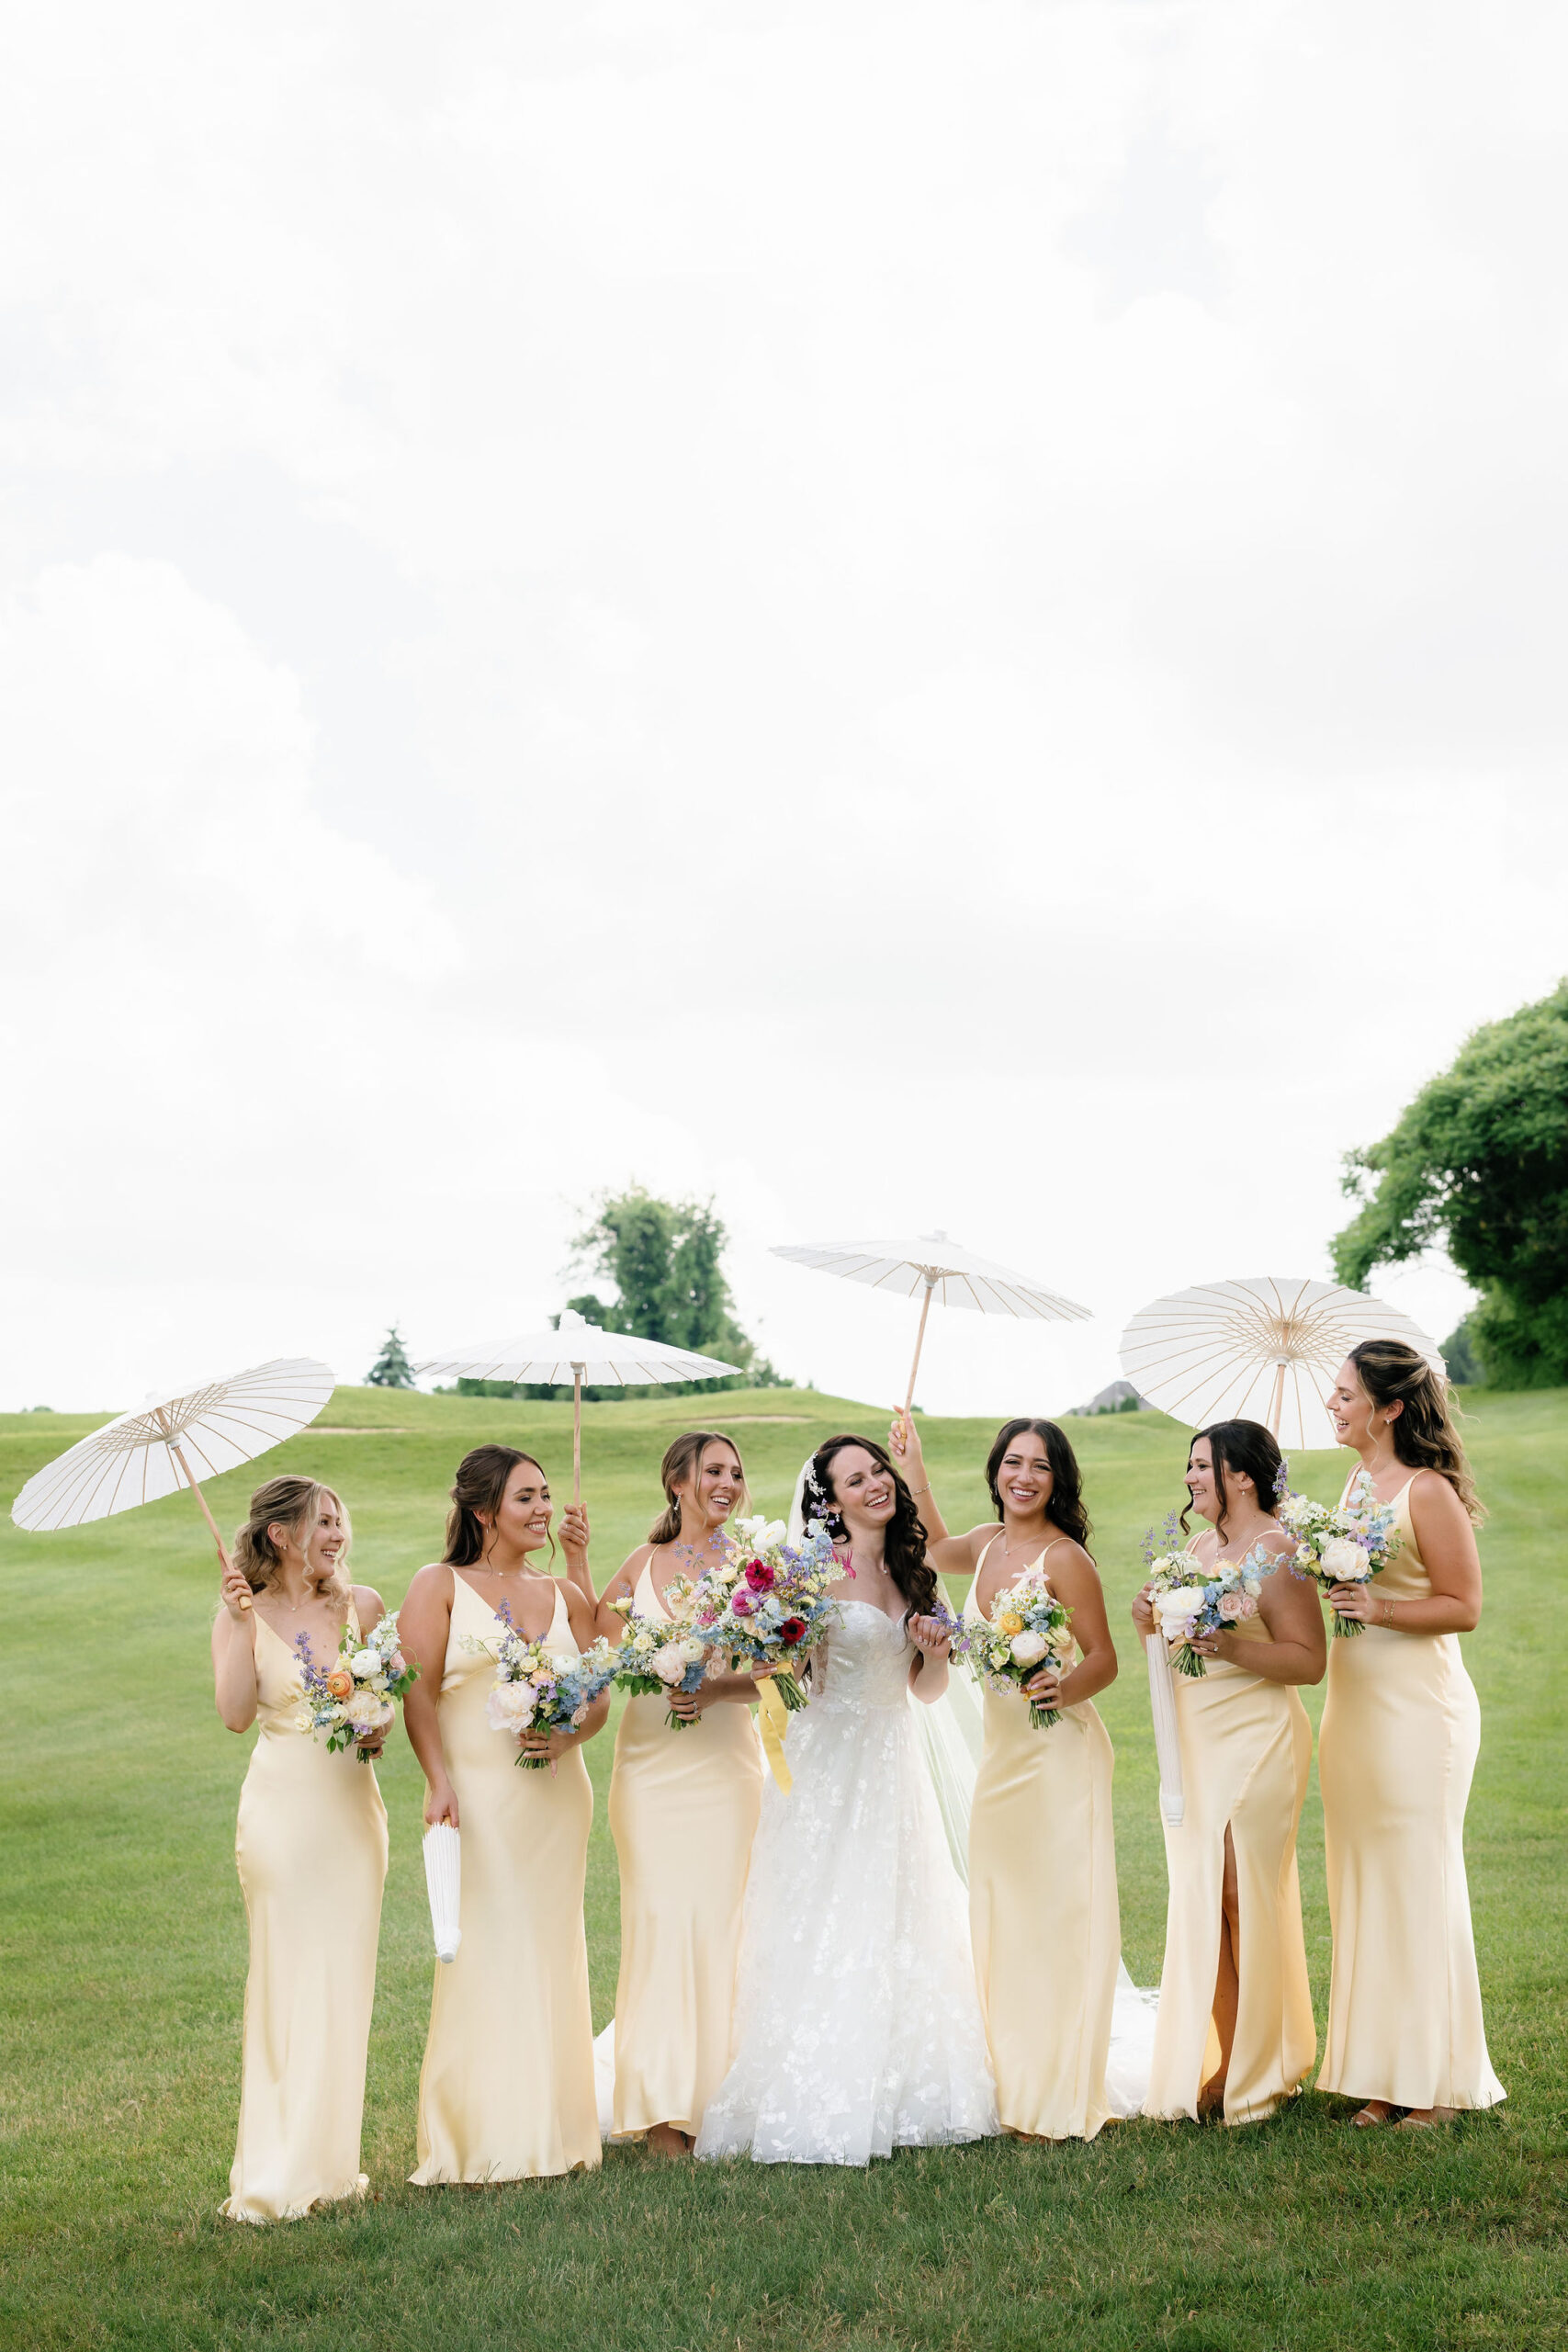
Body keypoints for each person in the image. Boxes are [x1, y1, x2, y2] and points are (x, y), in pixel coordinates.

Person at [694, 1434, 997, 2165]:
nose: (875, 1486)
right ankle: (807, 2081)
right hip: (823, 1763)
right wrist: (719, 1683)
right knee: (819, 1910)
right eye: (855, 1479)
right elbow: (786, 1677)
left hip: (892, 1762)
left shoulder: (913, 1569)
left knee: (897, 1911)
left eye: (879, 1473)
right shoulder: (806, 1573)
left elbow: (924, 1692)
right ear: (828, 1500)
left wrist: (930, 1651)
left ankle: (904, 2087)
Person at [892, 1412, 1125, 2141]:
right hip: (1002, 1761)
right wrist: (913, 1466)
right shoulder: (987, 1543)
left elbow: (1102, 1658)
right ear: (995, 1471)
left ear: (1058, 1481)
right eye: (1012, 1463)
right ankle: (1011, 2079)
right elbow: (931, 1544)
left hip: (1058, 1756)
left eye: (1039, 1466)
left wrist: (1066, 1686)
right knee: (1002, 1915)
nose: (1023, 1477)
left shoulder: (1063, 1559)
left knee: (1056, 1919)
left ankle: (1054, 2097)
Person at [399, 1446, 608, 2183]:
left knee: (549, 1950)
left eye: (546, 1495)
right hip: (480, 1799)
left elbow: (598, 1693)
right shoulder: (439, 1585)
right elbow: (416, 1692)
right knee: (488, 1950)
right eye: (526, 1498)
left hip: (557, 1796)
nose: (543, 1508)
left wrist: (568, 1733)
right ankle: (480, 2136)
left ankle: (556, 2130)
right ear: (483, 1510)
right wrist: (437, 1781)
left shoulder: (564, 1592)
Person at [1316, 1342, 1505, 2126]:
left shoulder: (1426, 1492)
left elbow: (1463, 1604)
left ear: (1389, 1408)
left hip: (1417, 1714)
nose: (1333, 1404)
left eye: (1345, 1394)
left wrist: (1381, 1608)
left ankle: (1435, 2083)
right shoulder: (1358, 1480)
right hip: (1354, 1708)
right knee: (1368, 1887)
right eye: (1333, 1392)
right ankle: (1384, 2072)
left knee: (1418, 1885)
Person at [568, 1431, 763, 2156]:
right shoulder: (641, 1564)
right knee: (657, 1922)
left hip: (725, 1769)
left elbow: (789, 1672)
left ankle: (717, 2101)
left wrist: (713, 1687)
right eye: (714, 1470)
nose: (728, 1483)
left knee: (717, 1925)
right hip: (647, 1771)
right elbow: (597, 1640)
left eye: (735, 1473)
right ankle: (659, 2111)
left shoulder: (756, 1567)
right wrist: (582, 1561)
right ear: (676, 1482)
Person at [1133, 1420, 1324, 2124]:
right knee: (1203, 1896)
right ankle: (1219, 2061)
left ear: (1239, 1475)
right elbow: (1179, 1649)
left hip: (1258, 1740)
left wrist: (1226, 1646)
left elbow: (1307, 1661)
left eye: (1199, 1466)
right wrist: (1148, 1621)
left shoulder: (1277, 1549)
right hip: (1197, 1740)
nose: (1188, 1478)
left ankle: (1262, 2066)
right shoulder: (1194, 1547)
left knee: (1244, 1895)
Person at [212, 1476, 389, 2222]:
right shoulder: (240, 1613)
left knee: (343, 1985)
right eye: (322, 1521)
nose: (336, 1533)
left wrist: (376, 1724)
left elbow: (383, 1709)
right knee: (285, 1983)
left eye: (340, 1519)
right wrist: (237, 1625)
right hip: (282, 1818)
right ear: (281, 1535)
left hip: (353, 1818)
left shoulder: (364, 1606)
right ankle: (275, 2170)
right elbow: (233, 1715)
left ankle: (327, 2166)